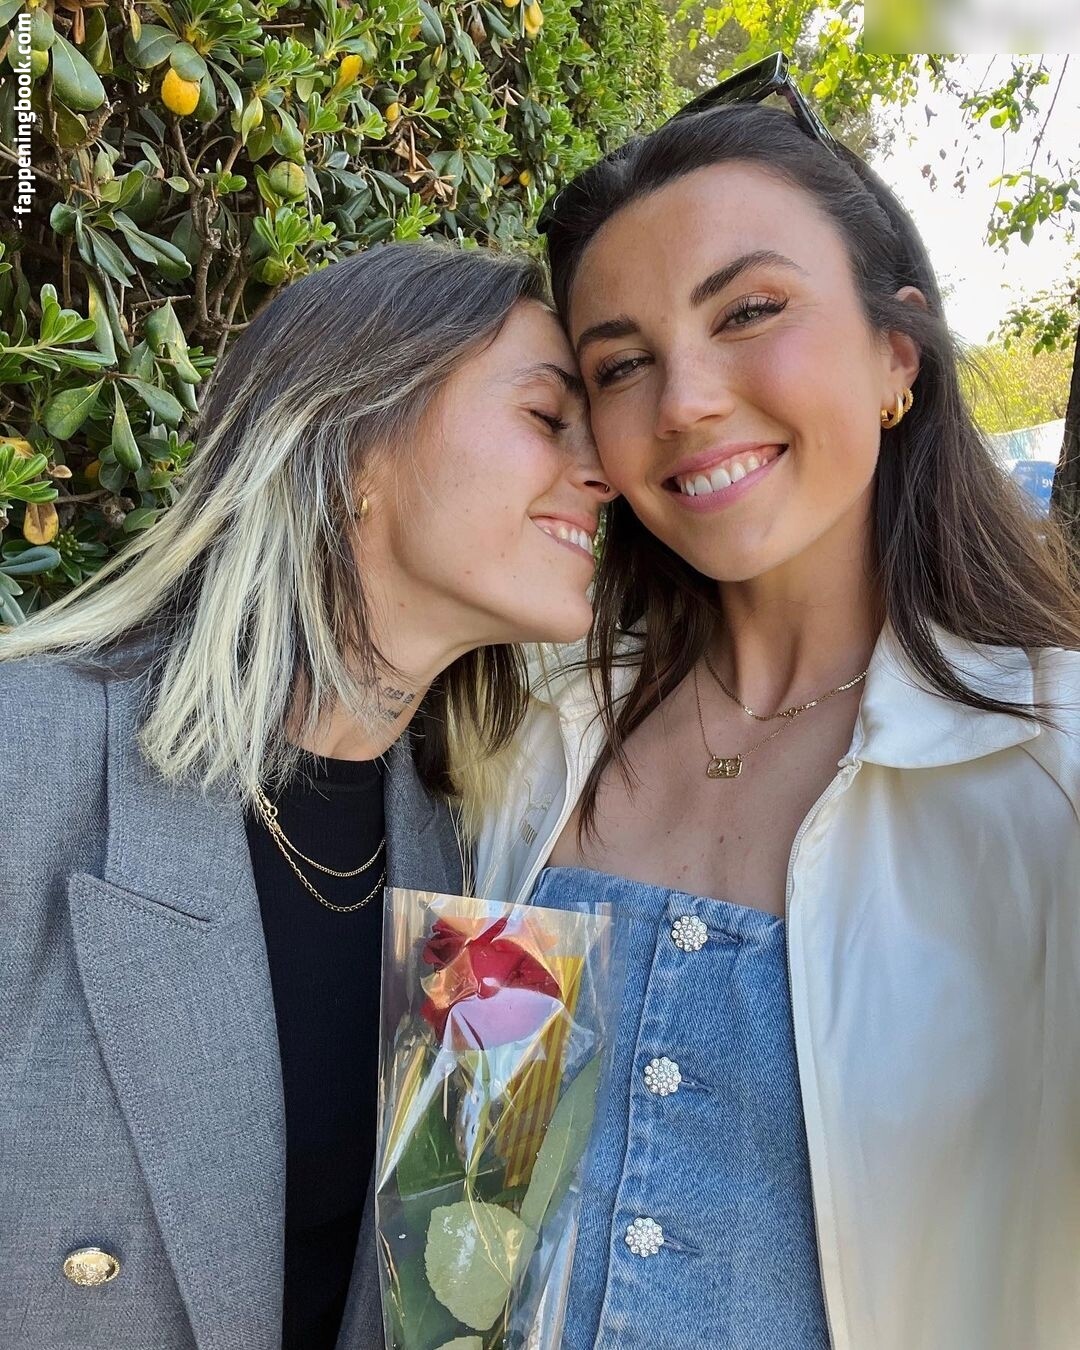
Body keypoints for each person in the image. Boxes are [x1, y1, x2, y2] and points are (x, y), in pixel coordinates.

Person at [474, 62, 1080, 1350]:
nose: (685, 401)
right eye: (621, 363)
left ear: (896, 355)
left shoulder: (1052, 765)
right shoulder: (528, 731)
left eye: (749, 310)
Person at [0, 241, 614, 1350]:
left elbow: (449, 1305)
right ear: (356, 440)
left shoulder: (490, 851)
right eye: (545, 416)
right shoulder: (26, 759)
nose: (602, 469)